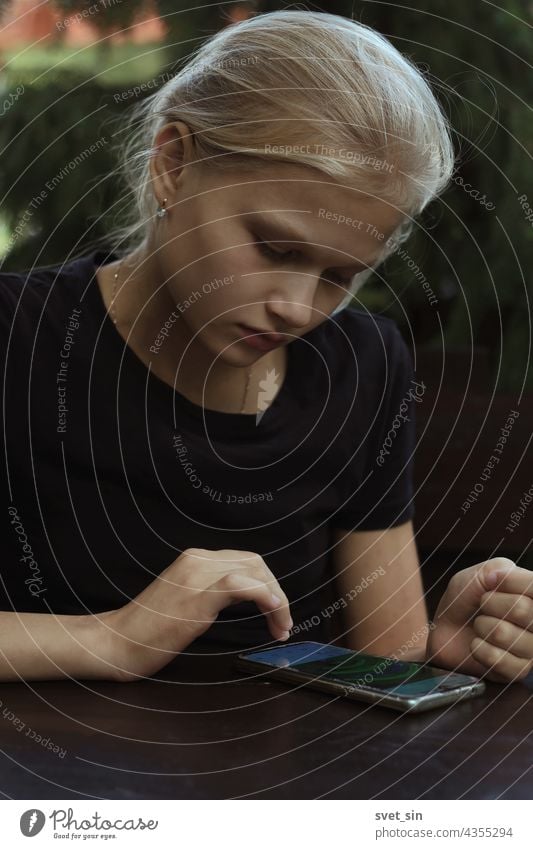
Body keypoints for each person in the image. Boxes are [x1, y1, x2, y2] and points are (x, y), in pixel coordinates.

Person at [0, 10, 531, 685]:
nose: (297, 307)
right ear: (173, 164)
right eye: (274, 248)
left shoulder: (359, 367)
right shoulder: (17, 336)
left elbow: (387, 651)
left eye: (340, 275)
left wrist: (438, 654)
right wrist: (111, 639)